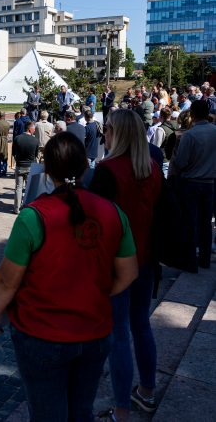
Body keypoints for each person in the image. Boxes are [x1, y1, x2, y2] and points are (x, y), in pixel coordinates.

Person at [0, 132, 138, 421]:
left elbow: (7, 280)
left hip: (42, 333)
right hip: (94, 330)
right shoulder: (113, 212)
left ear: (47, 169)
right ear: (85, 166)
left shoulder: (33, 216)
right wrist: (95, 292)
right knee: (82, 410)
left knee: (46, 413)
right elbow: (128, 273)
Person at [90, 109, 163, 420]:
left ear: (116, 132)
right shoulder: (152, 168)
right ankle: (146, 390)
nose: (103, 133)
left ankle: (121, 410)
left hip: (115, 263)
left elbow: (93, 225)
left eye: (107, 128)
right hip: (145, 259)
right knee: (141, 326)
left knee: (119, 333)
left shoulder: (107, 170)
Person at [172, 100, 216, 269]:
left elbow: (181, 162)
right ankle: (204, 259)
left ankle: (190, 259)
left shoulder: (190, 135)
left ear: (193, 114)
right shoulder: (214, 131)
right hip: (209, 182)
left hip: (191, 182)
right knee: (205, 223)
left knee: (190, 222)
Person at [12, 121, 38, 214]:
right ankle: (28, 207)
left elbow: (13, 153)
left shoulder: (17, 138)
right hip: (30, 166)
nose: (34, 130)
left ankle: (16, 208)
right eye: (34, 129)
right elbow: (35, 155)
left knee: (18, 188)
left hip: (20, 165)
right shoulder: (35, 140)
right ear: (30, 129)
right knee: (28, 188)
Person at [150, 107, 176, 178]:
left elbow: (156, 147)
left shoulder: (160, 129)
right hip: (171, 159)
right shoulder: (174, 127)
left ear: (160, 116)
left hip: (163, 160)